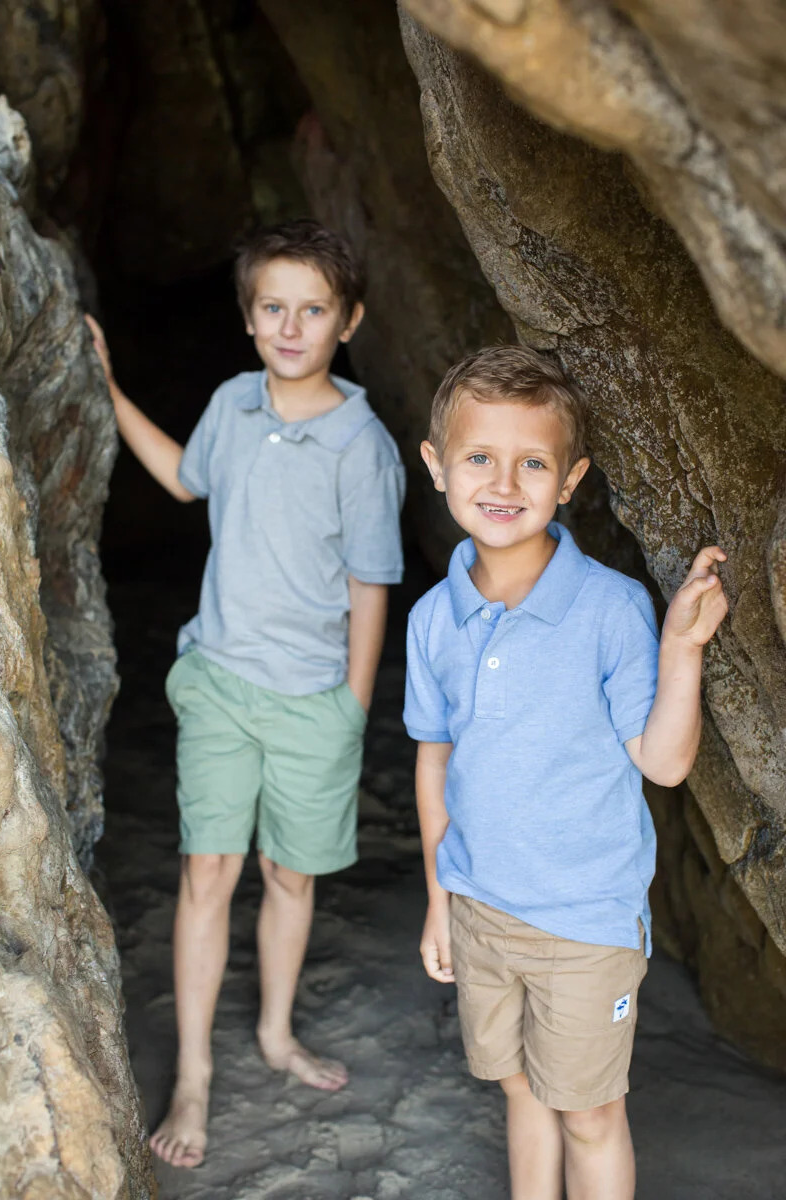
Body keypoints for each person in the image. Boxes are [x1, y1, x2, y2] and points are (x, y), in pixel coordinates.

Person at [87, 219, 405, 1169]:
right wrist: (105, 390)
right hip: (221, 684)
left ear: (348, 322)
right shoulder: (231, 406)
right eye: (274, 308)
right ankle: (193, 1077)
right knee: (206, 874)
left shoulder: (363, 445)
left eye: (314, 310)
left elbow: (371, 587)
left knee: (291, 876)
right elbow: (185, 483)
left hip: (313, 701)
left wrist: (351, 706)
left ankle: (273, 1032)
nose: (292, 326)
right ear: (249, 318)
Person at [403, 345, 727, 1200]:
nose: (503, 482)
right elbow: (435, 760)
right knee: (518, 1090)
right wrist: (440, 900)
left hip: (586, 921)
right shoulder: (434, 619)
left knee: (588, 1111)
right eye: (479, 457)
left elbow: (663, 763)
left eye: (532, 462)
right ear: (437, 467)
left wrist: (682, 647)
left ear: (570, 479)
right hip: (478, 904)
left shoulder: (614, 609)